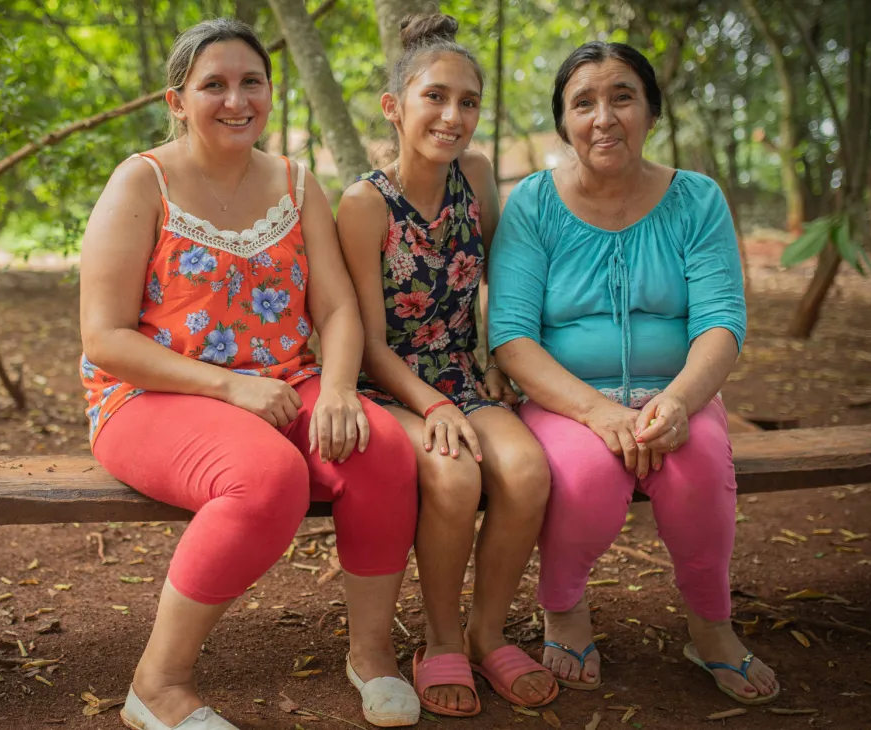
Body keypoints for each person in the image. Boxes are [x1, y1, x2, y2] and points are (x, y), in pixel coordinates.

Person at [79, 19, 421, 730]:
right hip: (151, 395)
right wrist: (230, 386)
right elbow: (104, 338)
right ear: (177, 100)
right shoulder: (140, 182)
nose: (236, 99)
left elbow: (336, 308)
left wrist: (334, 389)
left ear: (269, 91)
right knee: (269, 477)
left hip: (284, 382)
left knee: (381, 447)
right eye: (214, 85)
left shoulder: (297, 182)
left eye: (251, 82)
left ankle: (372, 654)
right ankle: (158, 685)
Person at [487, 41, 780, 705]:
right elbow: (510, 336)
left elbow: (721, 324)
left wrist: (677, 403)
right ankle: (563, 608)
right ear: (564, 122)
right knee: (586, 477)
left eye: (622, 96)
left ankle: (710, 627)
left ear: (651, 110)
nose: (603, 117)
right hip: (566, 402)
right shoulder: (533, 203)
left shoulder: (697, 199)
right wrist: (599, 413)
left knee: (698, 468)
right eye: (582, 103)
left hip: (678, 394)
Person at [336, 14, 557, 718]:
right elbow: (367, 340)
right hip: (388, 385)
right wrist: (430, 406)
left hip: (461, 373)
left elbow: (501, 278)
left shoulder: (479, 175)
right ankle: (437, 640)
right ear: (395, 107)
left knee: (526, 471)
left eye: (468, 101)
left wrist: (497, 356)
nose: (452, 115)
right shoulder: (364, 203)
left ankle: (487, 633)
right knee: (455, 477)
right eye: (435, 97)